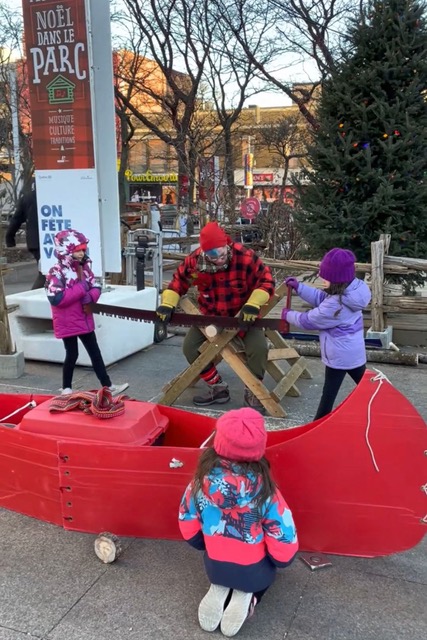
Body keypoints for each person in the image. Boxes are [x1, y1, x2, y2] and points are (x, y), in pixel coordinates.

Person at [178, 407, 298, 637]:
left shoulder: (198, 483)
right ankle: (250, 596)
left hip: (215, 562)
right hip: (254, 569)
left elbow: (186, 515)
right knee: (264, 571)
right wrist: (282, 559)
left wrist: (198, 541)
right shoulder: (266, 492)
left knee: (221, 567)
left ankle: (220, 587)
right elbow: (283, 532)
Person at [155, 221, 275, 412]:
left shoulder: (245, 257)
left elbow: (267, 281)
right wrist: (167, 304)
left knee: (259, 348)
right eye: (212, 255)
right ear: (204, 252)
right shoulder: (195, 262)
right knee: (190, 348)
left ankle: (253, 389)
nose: (219, 259)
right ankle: (217, 386)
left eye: (222, 253)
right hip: (210, 316)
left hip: (242, 316)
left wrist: (253, 304)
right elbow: (177, 283)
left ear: (227, 245)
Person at [282, 247, 371, 419]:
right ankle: (380, 406)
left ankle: (320, 421)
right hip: (353, 352)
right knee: (365, 385)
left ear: (336, 280)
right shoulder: (350, 292)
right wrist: (300, 288)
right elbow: (321, 298)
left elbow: (309, 320)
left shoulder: (336, 306)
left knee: (329, 392)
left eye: (326, 277)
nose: (322, 279)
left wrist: (287, 315)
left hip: (339, 355)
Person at [45, 229, 129, 397]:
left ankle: (108, 385)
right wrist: (81, 289)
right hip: (67, 321)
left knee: (95, 352)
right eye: (77, 250)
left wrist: (91, 296)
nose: (81, 253)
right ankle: (66, 387)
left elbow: (95, 286)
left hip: (84, 317)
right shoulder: (56, 272)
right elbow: (56, 298)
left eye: (83, 249)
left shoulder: (85, 267)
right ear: (66, 251)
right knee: (72, 354)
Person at [5, 183, 45, 289]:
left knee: (45, 272)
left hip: (35, 241)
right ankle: (34, 296)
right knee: (46, 273)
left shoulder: (27, 198)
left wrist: (10, 239)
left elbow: (16, 220)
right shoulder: (54, 195)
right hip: (50, 240)